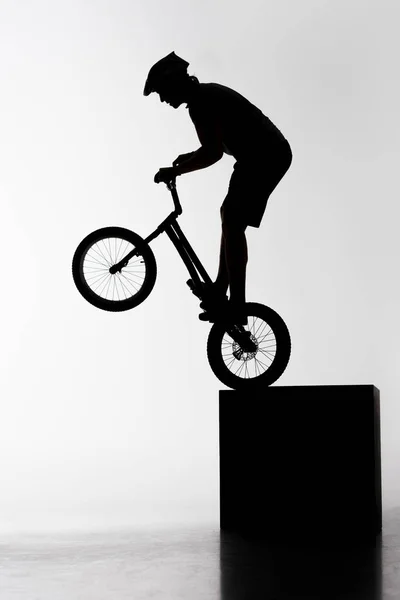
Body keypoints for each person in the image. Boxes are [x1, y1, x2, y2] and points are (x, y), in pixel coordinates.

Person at [144, 51, 292, 324]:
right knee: (229, 216)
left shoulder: (202, 101)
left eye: (162, 92)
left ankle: (236, 302)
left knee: (233, 219)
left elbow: (213, 153)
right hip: (255, 157)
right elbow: (213, 145)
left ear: (173, 81)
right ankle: (219, 289)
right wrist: (187, 159)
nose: (163, 100)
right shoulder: (202, 99)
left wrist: (177, 170)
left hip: (266, 154)